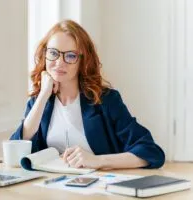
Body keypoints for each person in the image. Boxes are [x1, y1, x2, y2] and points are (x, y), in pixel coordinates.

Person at [10, 20, 165, 169]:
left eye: (70, 55)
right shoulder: (38, 103)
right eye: (53, 53)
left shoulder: (107, 100)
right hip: (51, 187)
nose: (59, 62)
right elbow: (17, 148)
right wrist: (43, 95)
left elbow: (151, 152)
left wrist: (97, 160)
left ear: (83, 61)